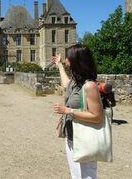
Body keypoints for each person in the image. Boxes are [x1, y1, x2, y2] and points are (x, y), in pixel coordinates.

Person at [53, 44, 103, 179]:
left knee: (87, 176)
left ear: (77, 61)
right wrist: (59, 65)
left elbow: (97, 116)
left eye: (68, 59)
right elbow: (66, 85)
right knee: (76, 175)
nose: (66, 61)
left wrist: (68, 110)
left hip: (85, 138)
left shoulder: (90, 86)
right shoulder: (76, 82)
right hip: (72, 136)